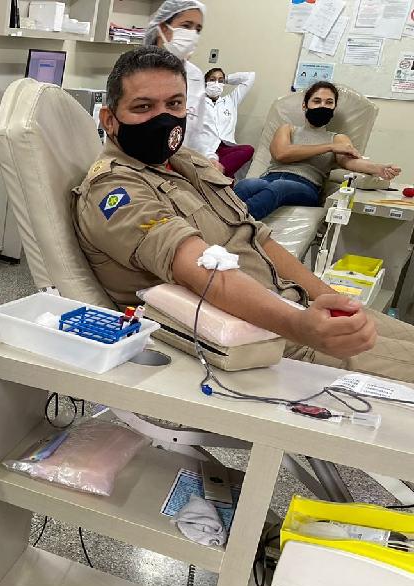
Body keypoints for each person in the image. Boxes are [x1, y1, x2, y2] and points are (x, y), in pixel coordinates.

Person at [71, 47, 414, 384]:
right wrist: (301, 327)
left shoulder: (187, 162)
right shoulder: (115, 190)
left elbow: (255, 237)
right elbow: (201, 267)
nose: (164, 118)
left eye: (174, 104)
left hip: (292, 303)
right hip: (266, 339)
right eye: (143, 107)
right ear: (109, 119)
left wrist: (323, 296)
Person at [234, 81, 401, 220]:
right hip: (270, 177)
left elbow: (350, 162)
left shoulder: (338, 138)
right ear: (305, 105)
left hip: (306, 187)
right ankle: (215, 221)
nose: (323, 105)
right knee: (246, 184)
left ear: (334, 108)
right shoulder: (287, 129)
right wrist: (329, 147)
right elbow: (281, 153)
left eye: (329, 102)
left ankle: (237, 224)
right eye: (317, 101)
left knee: (280, 186)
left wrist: (379, 168)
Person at [144, 0, 222, 171]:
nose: (193, 34)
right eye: (186, 26)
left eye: (198, 29)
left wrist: (209, 157)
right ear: (163, 28)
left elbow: (197, 131)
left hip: (183, 169)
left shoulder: (194, 76)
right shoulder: (136, 71)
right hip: (143, 167)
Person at [202, 67, 256, 177]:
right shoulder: (197, 102)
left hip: (225, 148)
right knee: (229, 179)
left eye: (220, 80)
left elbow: (250, 76)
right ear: (205, 82)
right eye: (212, 80)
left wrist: (226, 79)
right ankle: (220, 176)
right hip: (205, 148)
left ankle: (215, 174)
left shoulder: (230, 101)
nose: (216, 83)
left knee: (248, 150)